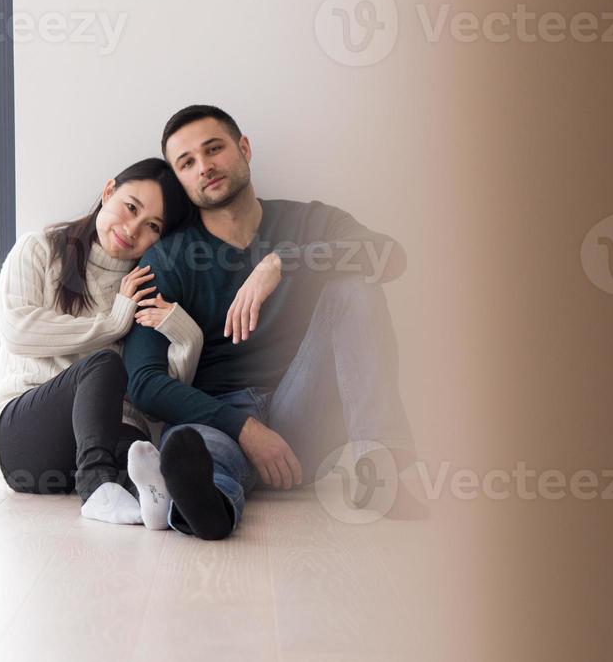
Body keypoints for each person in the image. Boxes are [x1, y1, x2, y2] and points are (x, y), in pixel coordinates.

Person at [122, 105, 425, 541]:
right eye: (187, 163)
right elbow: (144, 382)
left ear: (243, 148)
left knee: (354, 289)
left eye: (214, 150)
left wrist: (283, 261)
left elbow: (390, 255)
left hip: (302, 411)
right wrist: (244, 428)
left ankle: (382, 474)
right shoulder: (167, 258)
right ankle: (206, 506)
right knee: (201, 453)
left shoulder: (308, 222)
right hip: (219, 419)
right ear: (181, 180)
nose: (204, 167)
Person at [0, 158, 202, 526]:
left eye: (152, 227)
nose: (132, 229)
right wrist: (114, 322)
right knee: (104, 364)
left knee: (137, 446)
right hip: (23, 442)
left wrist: (187, 336)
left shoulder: (145, 285)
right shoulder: (39, 249)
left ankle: (165, 503)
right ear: (108, 191)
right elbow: (18, 331)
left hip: (97, 443)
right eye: (130, 207)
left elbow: (153, 400)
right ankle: (99, 487)